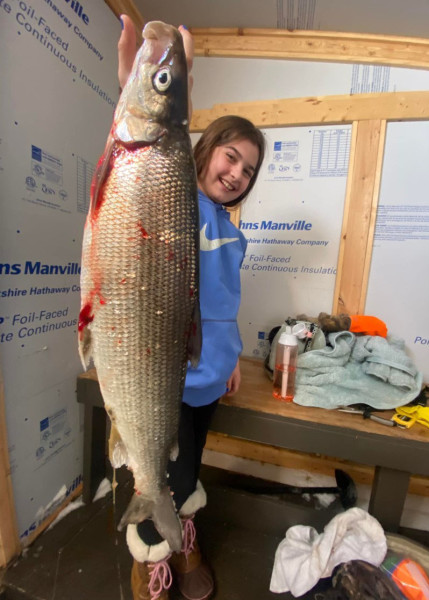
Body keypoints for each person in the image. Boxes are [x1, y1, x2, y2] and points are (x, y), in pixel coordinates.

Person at [117, 15, 266, 600]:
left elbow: (224, 304)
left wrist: (231, 360)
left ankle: (181, 532)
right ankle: (151, 554)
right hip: (166, 378)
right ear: (204, 152)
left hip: (211, 380)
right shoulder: (177, 199)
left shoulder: (235, 233)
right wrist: (154, 93)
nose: (236, 173)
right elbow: (145, 165)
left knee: (189, 466)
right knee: (158, 469)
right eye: (230, 157)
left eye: (248, 170)